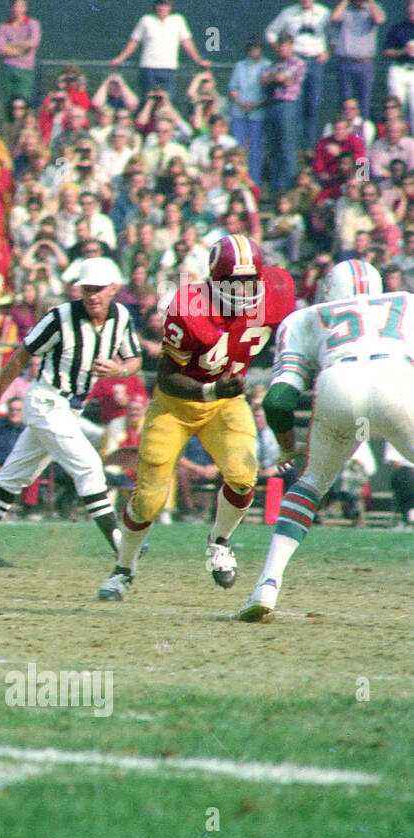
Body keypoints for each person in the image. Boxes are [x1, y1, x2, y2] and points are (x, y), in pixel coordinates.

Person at [99, 235, 297, 601]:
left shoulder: (278, 287)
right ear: (215, 281)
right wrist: (211, 391)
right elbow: (166, 377)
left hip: (226, 403)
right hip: (177, 404)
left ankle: (219, 542)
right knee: (149, 502)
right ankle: (124, 568)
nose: (244, 289)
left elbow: (292, 333)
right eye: (234, 282)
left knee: (243, 476)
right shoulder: (190, 306)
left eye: (249, 280)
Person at [238, 261, 414, 620]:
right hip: (396, 376)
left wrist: (287, 448)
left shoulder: (305, 317)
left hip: (339, 381)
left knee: (310, 484)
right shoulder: (405, 302)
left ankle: (266, 585)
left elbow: (278, 400)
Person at [0, 258, 140, 568]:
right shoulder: (60, 317)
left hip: (70, 408)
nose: (92, 296)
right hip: (47, 401)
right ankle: (121, 545)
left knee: (14, 475)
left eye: (99, 289)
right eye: (87, 290)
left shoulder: (122, 316)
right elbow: (19, 357)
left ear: (114, 289)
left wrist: (120, 369)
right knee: (88, 467)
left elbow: (134, 358)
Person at [109, 0, 212, 103]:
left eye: (165, 5)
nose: (162, 8)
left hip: (169, 69)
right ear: (155, 7)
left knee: (167, 102)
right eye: (160, 5)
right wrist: (120, 59)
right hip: (148, 69)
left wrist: (199, 60)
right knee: (148, 101)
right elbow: (134, 42)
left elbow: (187, 43)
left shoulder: (178, 21)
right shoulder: (146, 20)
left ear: (170, 7)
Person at [265, 0, 333, 146]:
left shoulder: (324, 13)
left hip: (316, 62)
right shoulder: (288, 12)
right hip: (294, 63)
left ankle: (307, 146)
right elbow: (270, 32)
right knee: (293, 104)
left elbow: (335, 34)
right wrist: (280, 49)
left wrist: (328, 52)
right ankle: (293, 146)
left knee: (312, 105)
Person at [261, 34, 308, 193]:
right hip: (272, 104)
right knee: (274, 147)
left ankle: (288, 187)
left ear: (291, 47)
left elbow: (281, 77)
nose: (282, 49)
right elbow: (263, 79)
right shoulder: (273, 64)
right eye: (280, 46)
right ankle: (276, 187)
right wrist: (276, 78)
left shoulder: (297, 63)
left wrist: (275, 78)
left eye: (286, 46)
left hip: (287, 105)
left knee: (287, 145)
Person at [332, 0, 387, 123]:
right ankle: (346, 136)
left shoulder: (374, 8)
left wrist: (370, 2)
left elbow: (379, 20)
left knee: (364, 102)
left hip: (365, 63)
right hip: (345, 62)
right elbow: (334, 18)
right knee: (346, 102)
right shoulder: (346, 8)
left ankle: (362, 136)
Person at [229, 39, 271, 184]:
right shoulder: (239, 66)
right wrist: (240, 103)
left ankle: (254, 184)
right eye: (252, 49)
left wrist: (255, 105)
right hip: (239, 112)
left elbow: (269, 94)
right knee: (237, 149)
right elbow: (233, 88)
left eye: (257, 49)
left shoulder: (268, 66)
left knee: (255, 151)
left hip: (257, 114)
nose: (255, 52)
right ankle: (236, 182)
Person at [0, 0, 42, 108]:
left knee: (24, 100)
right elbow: (1, 49)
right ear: (11, 8)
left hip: (26, 69)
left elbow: (33, 43)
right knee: (8, 101)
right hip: (7, 68)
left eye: (20, 7)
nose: (17, 10)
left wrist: (10, 45)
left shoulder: (33, 24)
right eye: (15, 7)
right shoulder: (3, 27)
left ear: (25, 8)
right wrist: (22, 50)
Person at [383, 1, 414, 129]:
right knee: (397, 108)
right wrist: (403, 51)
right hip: (399, 69)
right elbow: (386, 52)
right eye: (410, 9)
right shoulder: (398, 28)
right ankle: (398, 140)